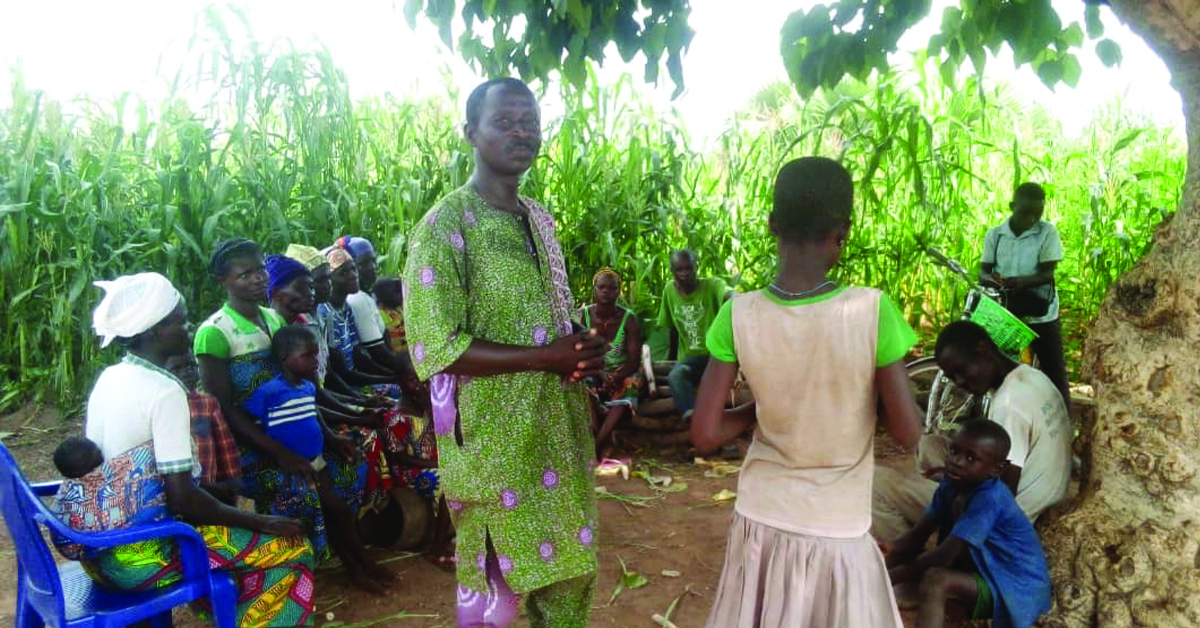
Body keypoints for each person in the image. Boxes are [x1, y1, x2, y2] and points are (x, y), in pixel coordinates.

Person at [403, 77, 607, 628]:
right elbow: (436, 348)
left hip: (557, 437)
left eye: (531, 122)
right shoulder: (445, 226)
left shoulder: (539, 219)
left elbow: (555, 324)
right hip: (495, 446)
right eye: (505, 121)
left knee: (568, 575)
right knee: (500, 594)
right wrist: (547, 357)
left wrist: (584, 350)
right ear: (471, 133)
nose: (522, 132)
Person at [691, 156, 924, 628]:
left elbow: (706, 434)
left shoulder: (737, 314)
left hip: (762, 517)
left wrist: (759, 410)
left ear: (772, 224)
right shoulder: (873, 312)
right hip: (835, 526)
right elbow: (907, 433)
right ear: (843, 232)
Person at [72, 271, 316, 627]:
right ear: (156, 331)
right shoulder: (165, 392)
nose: (188, 330)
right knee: (293, 548)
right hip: (142, 555)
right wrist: (263, 520)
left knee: (236, 533)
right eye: (181, 322)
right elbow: (184, 499)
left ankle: (231, 613)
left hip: (99, 549)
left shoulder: (111, 377)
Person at [195, 238, 363, 564]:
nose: (257, 278)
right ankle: (295, 565)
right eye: (245, 274)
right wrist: (281, 454)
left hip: (288, 433)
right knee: (303, 486)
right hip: (248, 447)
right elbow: (224, 409)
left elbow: (297, 390)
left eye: (260, 270)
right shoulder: (215, 332)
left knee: (347, 468)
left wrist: (328, 435)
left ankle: (345, 559)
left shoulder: (273, 320)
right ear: (224, 282)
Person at [872, 321, 1071, 542]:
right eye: (952, 376)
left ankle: (900, 551)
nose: (960, 382)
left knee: (876, 484)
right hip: (1046, 492)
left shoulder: (1009, 405)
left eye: (962, 370)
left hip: (1014, 517)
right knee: (930, 445)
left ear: (984, 350)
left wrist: (953, 483)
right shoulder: (1031, 377)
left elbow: (1001, 494)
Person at [245, 325, 394, 594]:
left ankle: (357, 568)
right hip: (295, 469)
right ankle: (363, 565)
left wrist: (333, 440)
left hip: (317, 462)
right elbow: (252, 425)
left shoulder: (306, 388)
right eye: (308, 355)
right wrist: (278, 455)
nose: (315, 360)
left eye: (316, 354)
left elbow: (316, 418)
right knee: (338, 511)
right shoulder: (270, 392)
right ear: (284, 358)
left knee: (335, 514)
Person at [885, 420, 1052, 628]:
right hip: (982, 571)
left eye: (971, 458)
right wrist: (887, 550)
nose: (957, 461)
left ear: (997, 469)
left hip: (1012, 588)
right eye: (954, 451)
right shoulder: (951, 484)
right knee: (894, 557)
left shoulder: (990, 498)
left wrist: (888, 577)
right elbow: (919, 534)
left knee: (936, 579)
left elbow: (944, 557)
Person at [979, 182, 1070, 407]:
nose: (1031, 219)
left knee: (1054, 373)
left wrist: (1022, 282)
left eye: (1037, 214)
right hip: (1007, 311)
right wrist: (993, 280)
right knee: (995, 365)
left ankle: (1063, 423)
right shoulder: (996, 235)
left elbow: (1048, 273)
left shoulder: (1047, 232)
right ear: (1012, 206)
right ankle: (984, 413)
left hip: (1040, 313)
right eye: (1025, 212)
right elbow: (983, 271)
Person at [657, 249, 731, 418]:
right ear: (671, 270)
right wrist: (671, 358)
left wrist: (738, 299)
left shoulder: (712, 286)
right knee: (676, 375)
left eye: (688, 268)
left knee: (692, 380)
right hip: (689, 359)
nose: (684, 274)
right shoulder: (669, 290)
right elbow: (673, 328)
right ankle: (693, 416)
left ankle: (697, 419)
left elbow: (728, 293)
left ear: (696, 267)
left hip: (714, 355)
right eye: (679, 269)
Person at [579, 268, 643, 458]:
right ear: (594, 290)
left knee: (630, 385)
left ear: (618, 291)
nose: (606, 291)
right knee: (583, 386)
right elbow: (579, 353)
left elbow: (634, 359)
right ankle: (598, 441)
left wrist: (617, 376)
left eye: (612, 288)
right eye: (601, 287)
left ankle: (597, 444)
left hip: (621, 371)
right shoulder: (583, 316)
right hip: (593, 368)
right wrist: (600, 373)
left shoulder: (628, 319)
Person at [166, 352, 242, 504]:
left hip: (210, 491)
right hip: (176, 491)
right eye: (177, 369)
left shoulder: (207, 403)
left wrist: (233, 480)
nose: (186, 373)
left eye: (190, 366)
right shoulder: (162, 406)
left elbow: (225, 445)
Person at [375, 277, 407, 354]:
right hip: (397, 355)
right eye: (397, 292)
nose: (402, 295)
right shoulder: (381, 315)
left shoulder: (401, 308)